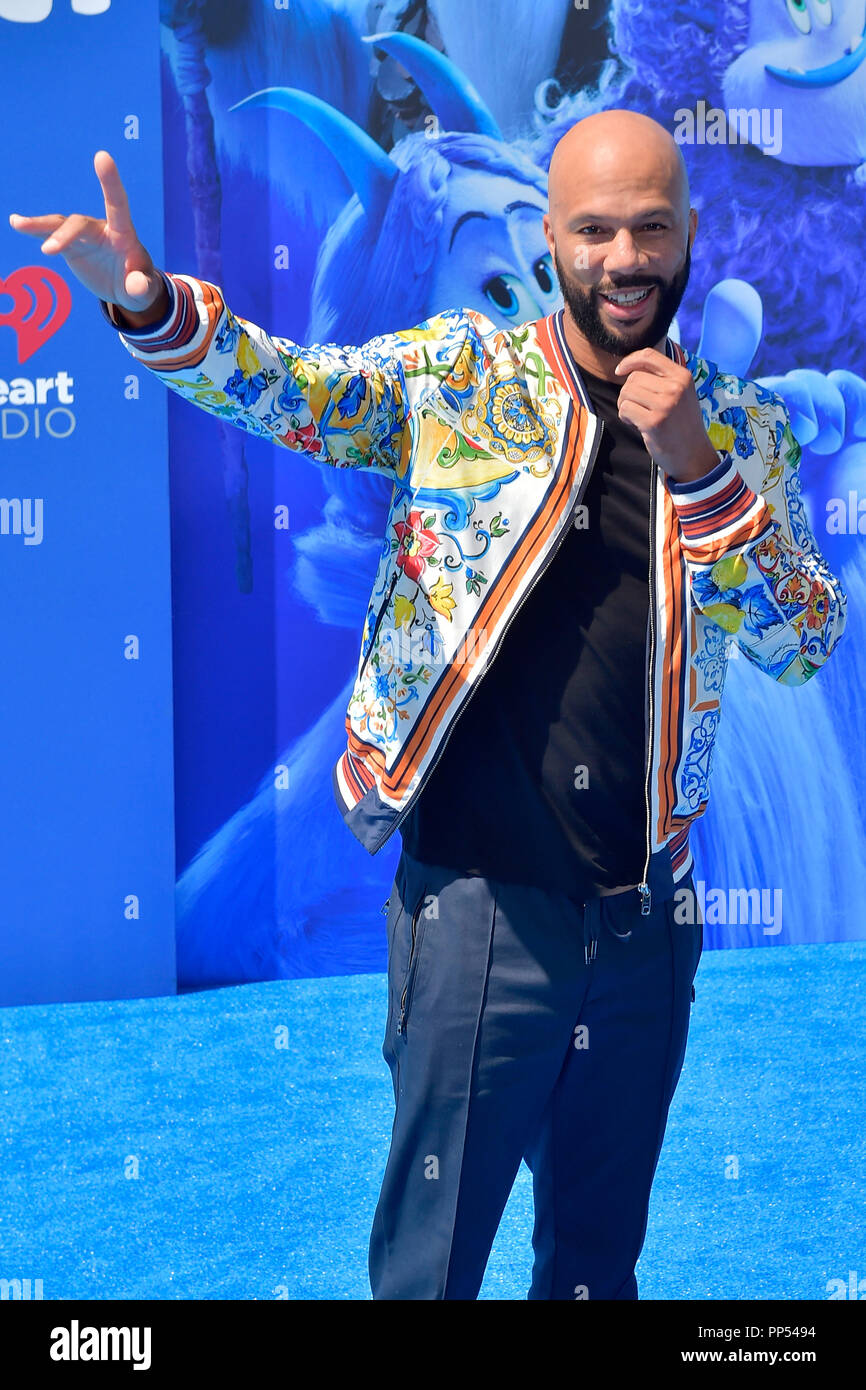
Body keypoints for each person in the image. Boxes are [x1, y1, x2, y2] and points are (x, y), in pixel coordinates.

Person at [10, 109, 846, 1300]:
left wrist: (700, 469)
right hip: (478, 919)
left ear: (686, 235)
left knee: (595, 1270)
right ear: (550, 236)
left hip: (645, 930)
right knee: (427, 1269)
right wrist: (147, 302)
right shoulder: (461, 376)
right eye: (594, 229)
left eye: (649, 228)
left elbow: (803, 639)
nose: (624, 258)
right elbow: (293, 392)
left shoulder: (739, 429)